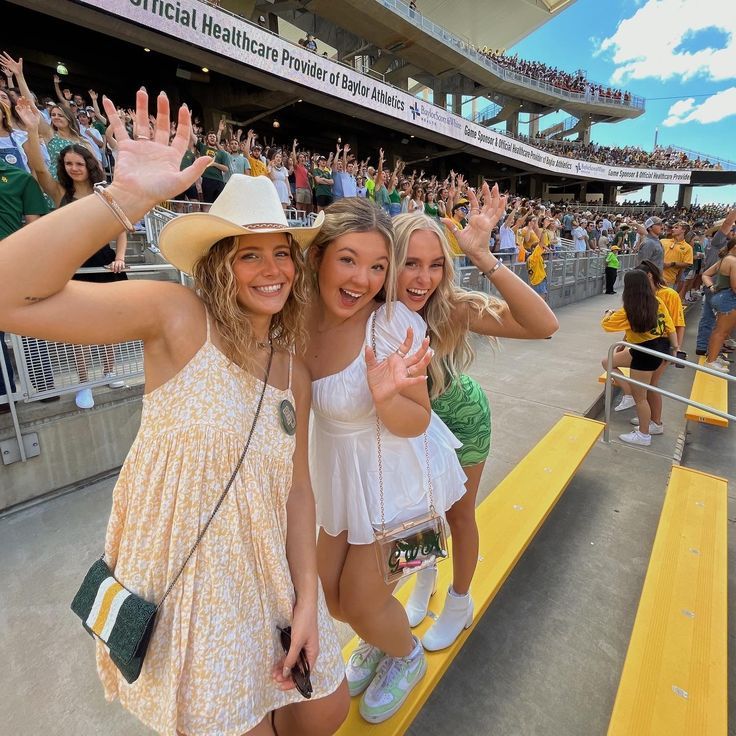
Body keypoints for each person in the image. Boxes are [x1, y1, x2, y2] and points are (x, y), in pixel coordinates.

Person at [0, 89, 349, 736]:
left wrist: (308, 596)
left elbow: (299, 493)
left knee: (324, 710)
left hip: (271, 575)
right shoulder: (177, 318)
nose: (272, 269)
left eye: (282, 253)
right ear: (221, 263)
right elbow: (7, 294)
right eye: (251, 253)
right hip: (198, 589)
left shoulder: (291, 365)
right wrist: (125, 200)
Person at [304, 198, 466, 724]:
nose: (364, 280)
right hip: (340, 486)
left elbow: (417, 421)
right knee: (331, 598)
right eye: (349, 260)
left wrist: (386, 398)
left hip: (407, 489)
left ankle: (405, 653)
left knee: (365, 599)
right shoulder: (298, 317)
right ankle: (382, 635)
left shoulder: (395, 324)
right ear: (320, 258)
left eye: (377, 267)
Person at [393, 184, 558, 652]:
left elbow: (543, 326)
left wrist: (484, 256)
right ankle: (422, 582)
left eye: (435, 264)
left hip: (461, 421)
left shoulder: (450, 308)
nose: (423, 278)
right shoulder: (370, 308)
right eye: (411, 262)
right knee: (413, 516)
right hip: (407, 429)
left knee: (457, 515)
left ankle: (460, 600)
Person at [17, 97, 127, 409]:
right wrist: (31, 130)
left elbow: (120, 226)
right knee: (78, 328)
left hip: (103, 263)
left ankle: (109, 371)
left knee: (108, 323)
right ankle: (84, 382)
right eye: (69, 164)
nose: (75, 168)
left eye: (80, 164)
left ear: (89, 166)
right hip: (72, 264)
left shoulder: (104, 194)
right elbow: (38, 168)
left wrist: (120, 256)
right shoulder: (59, 193)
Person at [601, 270, 677, 446]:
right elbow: (670, 327)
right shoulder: (657, 301)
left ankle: (644, 435)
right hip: (657, 348)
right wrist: (675, 348)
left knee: (641, 398)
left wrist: (608, 313)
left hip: (643, 354)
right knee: (608, 362)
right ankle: (629, 395)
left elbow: (606, 324)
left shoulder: (629, 310)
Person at [0, 154, 49, 410]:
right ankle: (4, 394)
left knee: (30, 324)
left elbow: (35, 229)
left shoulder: (19, 177)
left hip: (12, 263)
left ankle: (43, 384)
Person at [702, 237, 736, 373]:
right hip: (728, 298)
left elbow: (706, 274)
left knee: (721, 331)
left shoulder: (724, 259)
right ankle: (711, 361)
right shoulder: (733, 261)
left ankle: (713, 357)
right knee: (721, 332)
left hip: (720, 297)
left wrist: (711, 286)